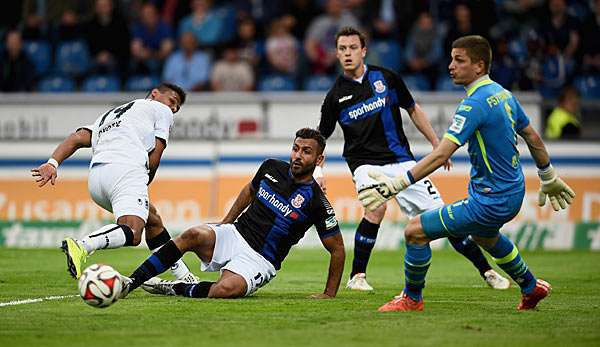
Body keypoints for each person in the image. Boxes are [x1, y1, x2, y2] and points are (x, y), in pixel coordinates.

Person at [359, 35, 575, 311]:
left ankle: (412, 298)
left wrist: (398, 184)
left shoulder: (474, 105)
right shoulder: (503, 94)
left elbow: (441, 154)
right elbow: (532, 136)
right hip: (511, 192)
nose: (451, 66)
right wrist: (548, 176)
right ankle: (531, 287)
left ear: (479, 65)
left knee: (414, 231)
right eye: (451, 59)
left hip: (489, 200)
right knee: (485, 237)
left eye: (459, 60)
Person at [318, 27, 510, 292]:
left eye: (353, 47)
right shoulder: (335, 96)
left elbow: (412, 108)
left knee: (442, 217)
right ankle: (357, 276)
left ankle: (487, 271)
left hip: (402, 160)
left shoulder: (386, 78)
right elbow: (321, 137)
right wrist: (318, 171)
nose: (348, 53)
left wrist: (435, 142)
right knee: (376, 208)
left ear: (364, 51)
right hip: (364, 164)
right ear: (337, 53)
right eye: (342, 49)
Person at [118, 128, 345, 300]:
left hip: (261, 259)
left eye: (306, 152)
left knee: (225, 290)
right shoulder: (271, 168)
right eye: (296, 148)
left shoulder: (317, 201)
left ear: (318, 160)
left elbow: (337, 249)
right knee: (193, 234)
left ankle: (174, 288)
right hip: (236, 234)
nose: (298, 155)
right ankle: (130, 282)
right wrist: (226, 223)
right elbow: (249, 190)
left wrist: (329, 294)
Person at [31, 82, 197, 284]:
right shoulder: (160, 110)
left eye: (177, 107)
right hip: (126, 170)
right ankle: (82, 245)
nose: (173, 108)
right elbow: (156, 154)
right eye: (172, 101)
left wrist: (52, 163)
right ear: (154, 94)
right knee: (133, 232)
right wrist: (142, 182)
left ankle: (184, 277)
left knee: (152, 219)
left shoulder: (112, 115)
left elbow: (77, 138)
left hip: (97, 179)